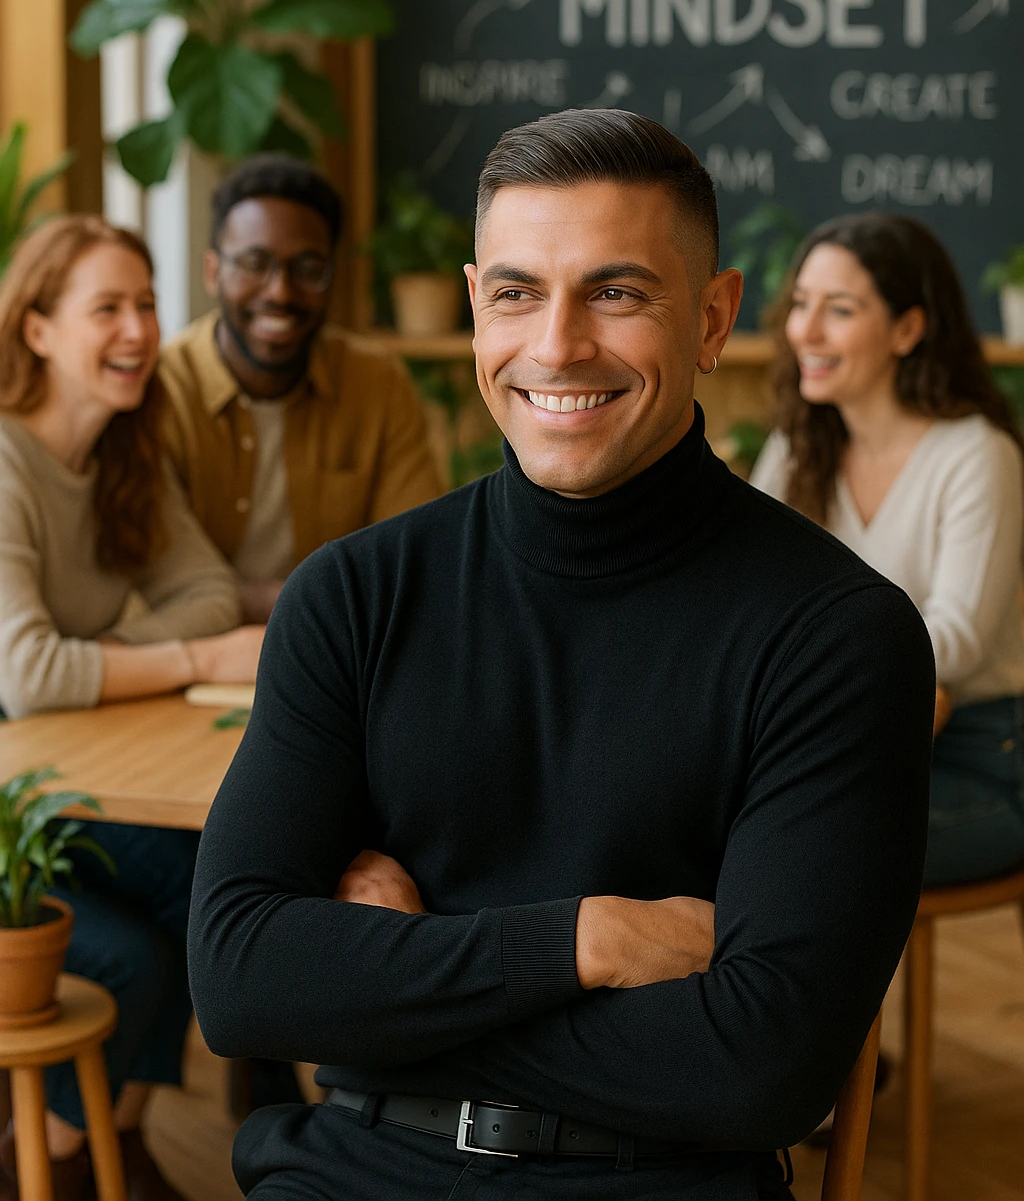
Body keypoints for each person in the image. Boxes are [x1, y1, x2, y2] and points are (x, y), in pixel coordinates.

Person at [188, 110, 934, 1201]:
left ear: (714, 317)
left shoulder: (835, 636)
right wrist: (581, 944)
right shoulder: (352, 596)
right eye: (515, 291)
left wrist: (397, 991)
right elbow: (239, 979)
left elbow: (758, 1071)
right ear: (477, 298)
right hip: (349, 1171)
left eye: (617, 292)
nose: (555, 345)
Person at [0, 215, 263, 1201]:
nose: (139, 331)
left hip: (79, 783)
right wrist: (192, 655)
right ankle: (62, 1161)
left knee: (217, 884)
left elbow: (209, 588)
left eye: (146, 305)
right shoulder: (6, 462)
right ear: (36, 330)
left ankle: (115, 1137)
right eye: (106, 307)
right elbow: (27, 673)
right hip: (14, 817)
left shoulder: (124, 454)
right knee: (137, 951)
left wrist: (101, 653)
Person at [751, 212, 1024, 889]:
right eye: (801, 304)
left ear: (908, 329)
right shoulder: (798, 447)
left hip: (982, 757)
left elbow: (955, 637)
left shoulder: (976, 453)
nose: (805, 331)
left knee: (798, 857)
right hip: (841, 743)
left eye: (838, 310)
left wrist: (819, 673)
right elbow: (747, 595)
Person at [159, 154, 443, 624]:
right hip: (196, 656)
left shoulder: (377, 385)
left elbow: (417, 558)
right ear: (213, 272)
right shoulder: (163, 389)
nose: (281, 293)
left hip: (339, 660)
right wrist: (319, 603)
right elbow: (158, 582)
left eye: (308, 268)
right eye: (255, 263)